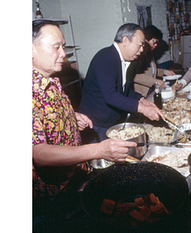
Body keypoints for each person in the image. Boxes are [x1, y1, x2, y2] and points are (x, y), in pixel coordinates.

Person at [32, 20, 137, 230]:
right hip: (53, 196)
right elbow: (39, 154)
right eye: (56, 47)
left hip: (75, 179)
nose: (63, 54)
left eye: (63, 46)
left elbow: (46, 117)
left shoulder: (51, 79)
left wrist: (72, 116)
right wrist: (98, 149)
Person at [78, 23, 164, 143]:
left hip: (111, 121)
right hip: (95, 124)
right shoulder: (105, 58)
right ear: (125, 40)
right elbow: (111, 96)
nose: (142, 50)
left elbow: (125, 90)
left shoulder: (126, 60)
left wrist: (142, 100)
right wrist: (143, 109)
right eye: (139, 45)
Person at [132, 25, 176, 97]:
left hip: (149, 91)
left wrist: (164, 71)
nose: (155, 45)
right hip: (139, 93)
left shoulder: (149, 53)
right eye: (154, 41)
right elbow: (135, 76)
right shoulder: (138, 54)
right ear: (146, 39)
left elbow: (149, 71)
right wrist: (155, 81)